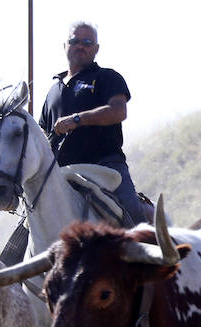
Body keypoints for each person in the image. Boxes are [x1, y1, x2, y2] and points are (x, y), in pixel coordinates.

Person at [39, 21, 149, 225]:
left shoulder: (107, 77)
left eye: (87, 42)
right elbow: (42, 135)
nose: (81, 45)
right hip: (61, 174)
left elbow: (118, 111)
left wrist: (76, 119)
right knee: (29, 223)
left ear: (96, 49)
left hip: (105, 166)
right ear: (65, 45)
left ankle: (151, 253)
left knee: (134, 215)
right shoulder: (52, 91)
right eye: (74, 40)